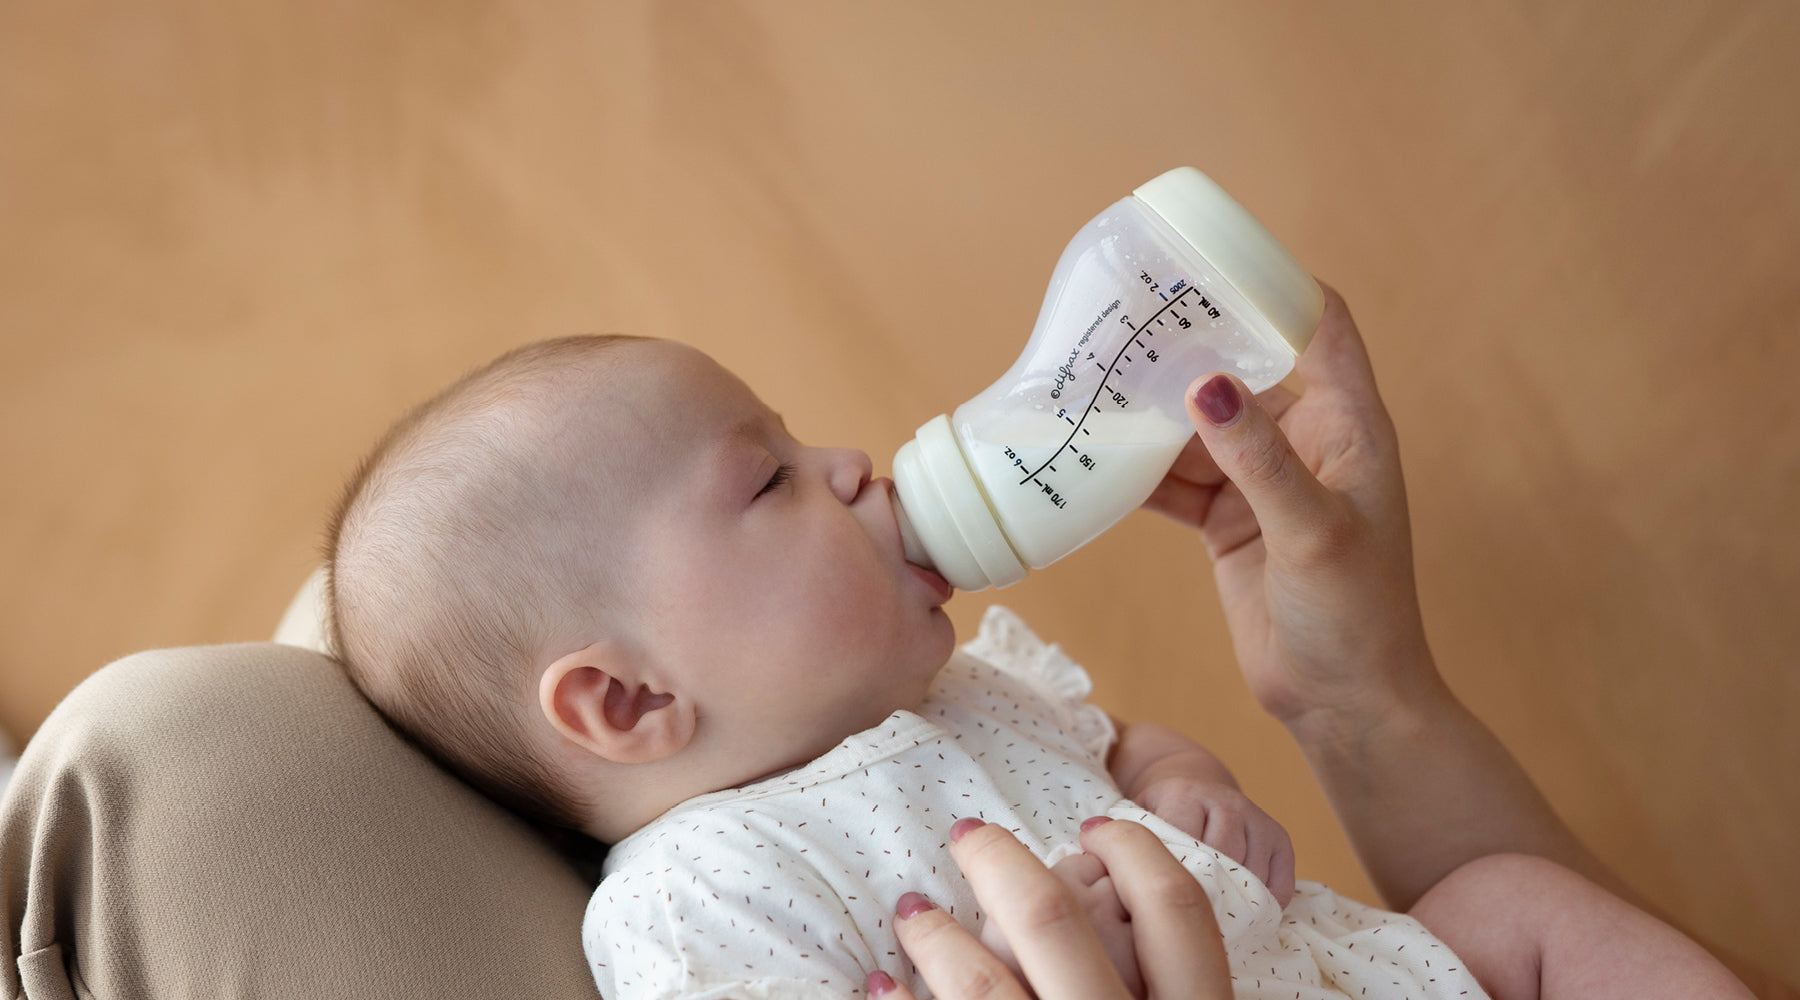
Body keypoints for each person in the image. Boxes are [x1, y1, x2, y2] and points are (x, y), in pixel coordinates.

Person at [321, 286, 1755, 1000]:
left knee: (1510, 901)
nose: (848, 463)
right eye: (763, 479)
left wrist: (1185, 774)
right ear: (630, 699)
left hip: (1342, 970)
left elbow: (1115, 748)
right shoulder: (698, 898)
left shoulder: (969, 682)